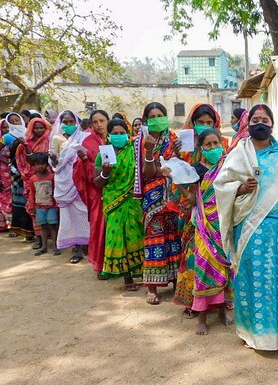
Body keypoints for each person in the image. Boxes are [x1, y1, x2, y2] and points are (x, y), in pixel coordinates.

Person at [215, 104, 278, 350]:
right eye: (255, 119)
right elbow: (221, 186)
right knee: (252, 276)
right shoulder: (239, 153)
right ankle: (253, 332)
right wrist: (240, 188)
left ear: (272, 124)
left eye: (265, 119)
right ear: (248, 123)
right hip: (249, 226)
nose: (260, 123)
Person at [172, 103, 228, 308]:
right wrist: (177, 157)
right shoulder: (185, 148)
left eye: (209, 122)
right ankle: (193, 300)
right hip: (193, 214)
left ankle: (221, 300)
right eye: (200, 122)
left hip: (218, 216)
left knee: (220, 256)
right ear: (193, 123)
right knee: (193, 255)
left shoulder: (223, 148)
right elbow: (182, 180)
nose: (205, 126)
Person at [180, 128, 233, 335]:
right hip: (204, 226)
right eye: (208, 145)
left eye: (216, 144)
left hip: (224, 225)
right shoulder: (196, 170)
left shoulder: (228, 166)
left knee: (224, 268)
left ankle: (222, 309)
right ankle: (201, 316)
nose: (213, 148)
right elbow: (193, 200)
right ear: (201, 149)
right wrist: (179, 185)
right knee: (203, 268)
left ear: (222, 144)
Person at [138, 102, 185, 306]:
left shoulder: (174, 139)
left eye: (160, 115)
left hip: (173, 195)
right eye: (153, 116)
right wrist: (151, 156)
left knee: (175, 238)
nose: (157, 118)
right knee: (154, 239)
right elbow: (147, 172)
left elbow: (180, 167)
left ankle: (177, 282)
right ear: (146, 120)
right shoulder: (140, 141)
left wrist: (176, 155)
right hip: (153, 198)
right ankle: (152, 286)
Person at [94, 119, 144, 288]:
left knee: (135, 237)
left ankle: (143, 275)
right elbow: (98, 182)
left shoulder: (134, 150)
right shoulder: (103, 154)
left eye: (122, 133)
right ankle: (127, 279)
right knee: (117, 239)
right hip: (113, 202)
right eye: (115, 134)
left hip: (133, 201)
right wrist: (105, 173)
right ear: (108, 135)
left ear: (128, 134)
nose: (119, 136)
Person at [50, 110, 89, 264]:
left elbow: (87, 155)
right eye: (64, 122)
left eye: (70, 122)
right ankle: (77, 248)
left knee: (84, 213)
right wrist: (53, 159)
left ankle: (89, 244)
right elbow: (54, 162)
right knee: (69, 217)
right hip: (63, 180)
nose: (67, 124)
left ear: (76, 122)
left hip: (79, 180)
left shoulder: (83, 137)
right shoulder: (56, 138)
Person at [74, 110, 109, 278]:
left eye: (102, 120)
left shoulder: (118, 137)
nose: (99, 125)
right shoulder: (88, 143)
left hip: (119, 191)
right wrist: (86, 161)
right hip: (98, 193)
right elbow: (83, 173)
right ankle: (101, 264)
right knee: (99, 229)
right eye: (95, 122)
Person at [0, 113, 33, 239]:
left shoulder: (28, 133)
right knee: (19, 199)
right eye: (12, 121)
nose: (15, 122)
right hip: (16, 171)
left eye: (17, 120)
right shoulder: (7, 137)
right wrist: (8, 163)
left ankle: (33, 229)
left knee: (31, 198)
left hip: (30, 169)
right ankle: (20, 228)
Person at [16, 117, 53, 248]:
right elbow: (21, 159)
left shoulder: (50, 140)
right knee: (34, 209)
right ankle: (38, 238)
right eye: (36, 128)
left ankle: (52, 239)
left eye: (41, 127)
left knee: (51, 207)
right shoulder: (26, 143)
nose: (38, 130)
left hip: (48, 177)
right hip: (31, 178)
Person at [25, 153, 60, 256]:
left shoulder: (52, 177)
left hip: (51, 206)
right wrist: (32, 206)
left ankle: (55, 245)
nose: (40, 166)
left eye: (43, 164)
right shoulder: (33, 179)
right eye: (38, 164)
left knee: (53, 226)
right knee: (43, 227)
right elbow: (32, 193)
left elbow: (55, 191)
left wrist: (56, 204)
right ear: (34, 165)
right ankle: (44, 246)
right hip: (39, 206)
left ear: (47, 164)